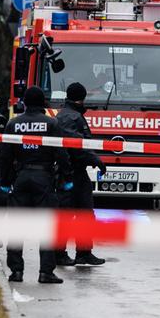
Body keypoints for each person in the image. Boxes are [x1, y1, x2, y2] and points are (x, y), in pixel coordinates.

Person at [0, 87, 73, 284]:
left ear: (24, 102)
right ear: (43, 103)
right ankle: (45, 272)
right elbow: (61, 154)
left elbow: (5, 156)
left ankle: (16, 271)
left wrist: (5, 182)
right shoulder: (51, 123)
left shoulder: (13, 124)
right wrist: (67, 178)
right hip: (43, 178)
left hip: (21, 177)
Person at [54, 82, 107, 267]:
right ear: (82, 97)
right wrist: (96, 160)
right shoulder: (72, 117)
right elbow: (76, 146)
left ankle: (82, 253)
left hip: (72, 171)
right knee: (72, 214)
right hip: (70, 172)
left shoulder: (65, 114)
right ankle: (62, 254)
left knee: (80, 213)